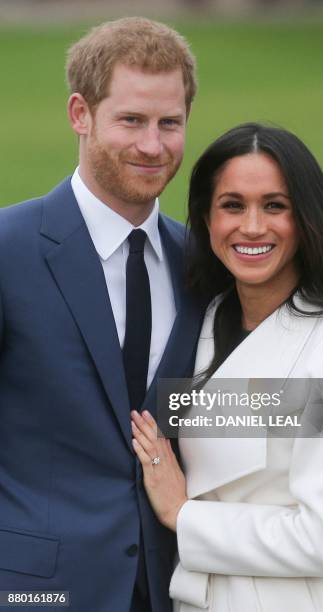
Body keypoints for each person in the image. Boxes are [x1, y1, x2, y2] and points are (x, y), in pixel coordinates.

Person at [131, 123, 323, 612]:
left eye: (275, 206)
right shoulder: (200, 321)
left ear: (306, 220)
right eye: (232, 205)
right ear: (206, 219)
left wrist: (184, 514)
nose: (253, 226)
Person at [0, 17, 206, 612]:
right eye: (132, 120)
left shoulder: (205, 264)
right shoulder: (9, 249)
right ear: (79, 114)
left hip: (177, 590)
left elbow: (250, 403)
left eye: (170, 123)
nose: (153, 144)